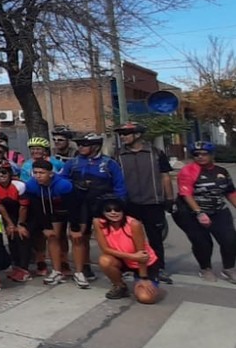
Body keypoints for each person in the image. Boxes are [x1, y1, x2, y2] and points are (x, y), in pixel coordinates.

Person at [62, 133, 127, 288]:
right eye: (79, 145)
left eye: (84, 145)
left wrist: (120, 204)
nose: (80, 147)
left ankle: (116, 267)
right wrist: (73, 185)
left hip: (103, 205)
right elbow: (62, 180)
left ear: (96, 146)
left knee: (109, 237)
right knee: (81, 237)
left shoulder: (109, 163)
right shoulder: (72, 163)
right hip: (81, 205)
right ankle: (84, 268)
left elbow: (119, 185)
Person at [113, 121, 174, 283]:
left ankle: (158, 268)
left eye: (126, 134)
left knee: (155, 238)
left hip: (152, 202)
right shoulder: (118, 155)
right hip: (129, 203)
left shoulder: (156, 153)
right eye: (121, 134)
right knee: (128, 238)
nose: (123, 137)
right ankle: (131, 267)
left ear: (138, 134)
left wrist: (169, 198)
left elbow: (165, 176)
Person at [175, 141, 236, 282]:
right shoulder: (188, 171)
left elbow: (230, 192)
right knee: (202, 243)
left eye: (204, 154)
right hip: (192, 212)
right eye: (196, 154)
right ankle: (205, 268)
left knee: (230, 240)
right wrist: (199, 212)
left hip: (218, 210)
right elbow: (186, 194)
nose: (200, 157)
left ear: (212, 155)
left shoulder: (221, 171)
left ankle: (229, 268)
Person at [94, 197, 161, 302]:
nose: (113, 213)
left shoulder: (134, 224)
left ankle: (143, 282)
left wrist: (143, 278)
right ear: (103, 212)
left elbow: (142, 255)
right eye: (108, 210)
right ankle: (120, 286)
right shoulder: (98, 223)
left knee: (146, 298)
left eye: (117, 210)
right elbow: (105, 249)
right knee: (104, 260)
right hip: (125, 259)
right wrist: (132, 256)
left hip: (144, 263)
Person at [25, 159, 75, 285]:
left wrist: (74, 225)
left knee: (61, 236)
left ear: (51, 174)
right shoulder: (31, 185)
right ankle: (56, 270)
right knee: (52, 236)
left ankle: (64, 265)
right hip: (44, 208)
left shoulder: (63, 185)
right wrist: (46, 226)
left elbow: (72, 206)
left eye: (41, 173)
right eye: (35, 173)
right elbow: (36, 207)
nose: (38, 176)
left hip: (62, 208)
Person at [0, 164, 30, 282]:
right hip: (8, 212)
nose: (1, 175)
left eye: (4, 172)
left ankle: (25, 269)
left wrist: (20, 224)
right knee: (11, 236)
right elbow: (0, 206)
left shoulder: (19, 185)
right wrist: (10, 224)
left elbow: (23, 207)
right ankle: (16, 266)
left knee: (22, 237)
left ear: (10, 173)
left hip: (24, 212)